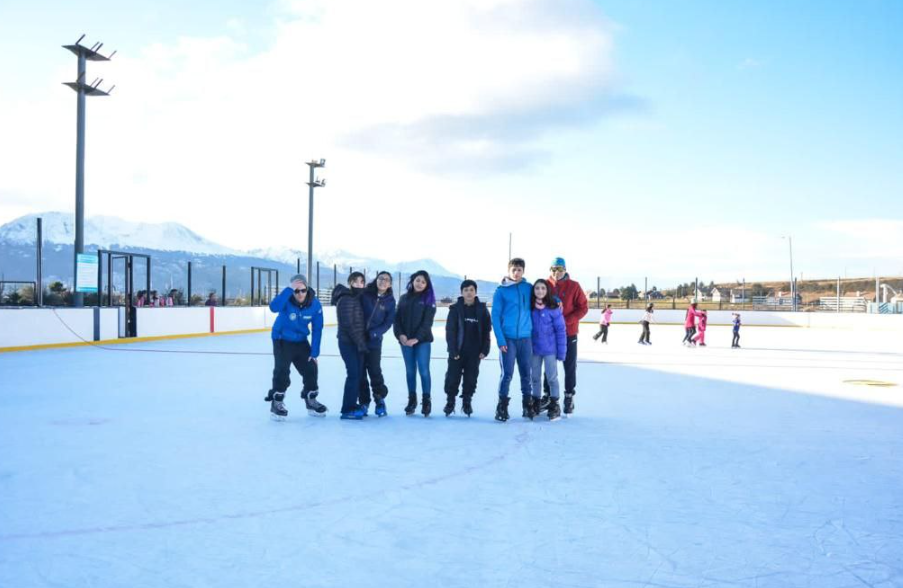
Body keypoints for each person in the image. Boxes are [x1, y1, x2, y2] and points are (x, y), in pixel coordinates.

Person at [264, 274, 326, 420]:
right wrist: (288, 290)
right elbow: (274, 307)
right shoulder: (286, 300)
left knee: (311, 368)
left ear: (307, 288)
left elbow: (318, 328)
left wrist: (314, 352)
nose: (299, 294)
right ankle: (277, 402)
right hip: (282, 339)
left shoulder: (315, 304)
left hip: (301, 340)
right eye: (296, 291)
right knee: (282, 370)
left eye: (302, 290)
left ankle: (311, 400)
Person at [491, 258, 533, 422]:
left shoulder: (528, 288)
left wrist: (556, 300)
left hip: (525, 339)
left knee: (526, 374)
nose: (516, 273)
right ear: (509, 271)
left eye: (519, 270)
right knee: (507, 374)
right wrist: (501, 340)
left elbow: (544, 297)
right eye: (514, 270)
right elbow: (495, 316)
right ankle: (502, 406)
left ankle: (527, 405)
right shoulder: (501, 291)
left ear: (523, 271)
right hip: (508, 339)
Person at [545, 257, 588, 417]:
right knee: (549, 365)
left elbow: (583, 307)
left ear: (565, 270)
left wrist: (567, 321)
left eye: (560, 270)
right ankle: (548, 395)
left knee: (569, 365)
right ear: (550, 270)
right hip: (549, 333)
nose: (557, 273)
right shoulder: (545, 284)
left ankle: (569, 395)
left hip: (569, 333)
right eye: (554, 269)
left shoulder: (574, 286)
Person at [443, 279, 491, 417]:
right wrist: (452, 350)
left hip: (474, 353)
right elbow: (450, 331)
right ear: (461, 292)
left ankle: (467, 401)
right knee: (452, 377)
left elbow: (487, 331)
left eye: (471, 290)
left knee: (471, 378)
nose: (469, 293)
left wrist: (484, 349)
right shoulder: (455, 309)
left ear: (475, 292)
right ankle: (450, 401)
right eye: (466, 290)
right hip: (457, 351)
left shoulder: (482, 309)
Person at [394, 270, 437, 417]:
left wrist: (416, 338)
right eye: (418, 280)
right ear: (413, 281)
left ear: (427, 285)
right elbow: (397, 319)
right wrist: (400, 335)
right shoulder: (404, 298)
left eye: (423, 282)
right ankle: (412, 400)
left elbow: (427, 324)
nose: (420, 284)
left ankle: (426, 401)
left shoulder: (429, 300)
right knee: (410, 371)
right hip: (405, 341)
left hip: (422, 341)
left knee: (423, 371)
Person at [332, 272, 370, 420]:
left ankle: (355, 405)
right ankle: (347, 409)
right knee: (353, 374)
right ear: (350, 283)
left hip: (356, 343)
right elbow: (348, 324)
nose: (359, 285)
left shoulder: (356, 298)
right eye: (355, 282)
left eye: (362, 282)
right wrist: (360, 343)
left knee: (358, 374)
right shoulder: (346, 299)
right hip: (348, 343)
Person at [359, 271, 396, 417]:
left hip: (374, 341)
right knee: (360, 372)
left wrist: (374, 333)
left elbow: (388, 322)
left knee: (374, 371)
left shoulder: (390, 301)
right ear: (376, 280)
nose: (383, 281)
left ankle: (379, 399)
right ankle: (364, 402)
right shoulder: (365, 294)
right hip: (359, 340)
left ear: (390, 284)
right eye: (381, 278)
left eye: (387, 280)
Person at [530, 279, 567, 421]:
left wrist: (562, 352)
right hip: (534, 350)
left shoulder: (553, 308)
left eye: (543, 288)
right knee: (535, 377)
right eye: (537, 288)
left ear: (547, 291)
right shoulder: (530, 308)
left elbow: (561, 330)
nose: (540, 291)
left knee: (551, 377)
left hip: (550, 350)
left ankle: (554, 404)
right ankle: (536, 402)